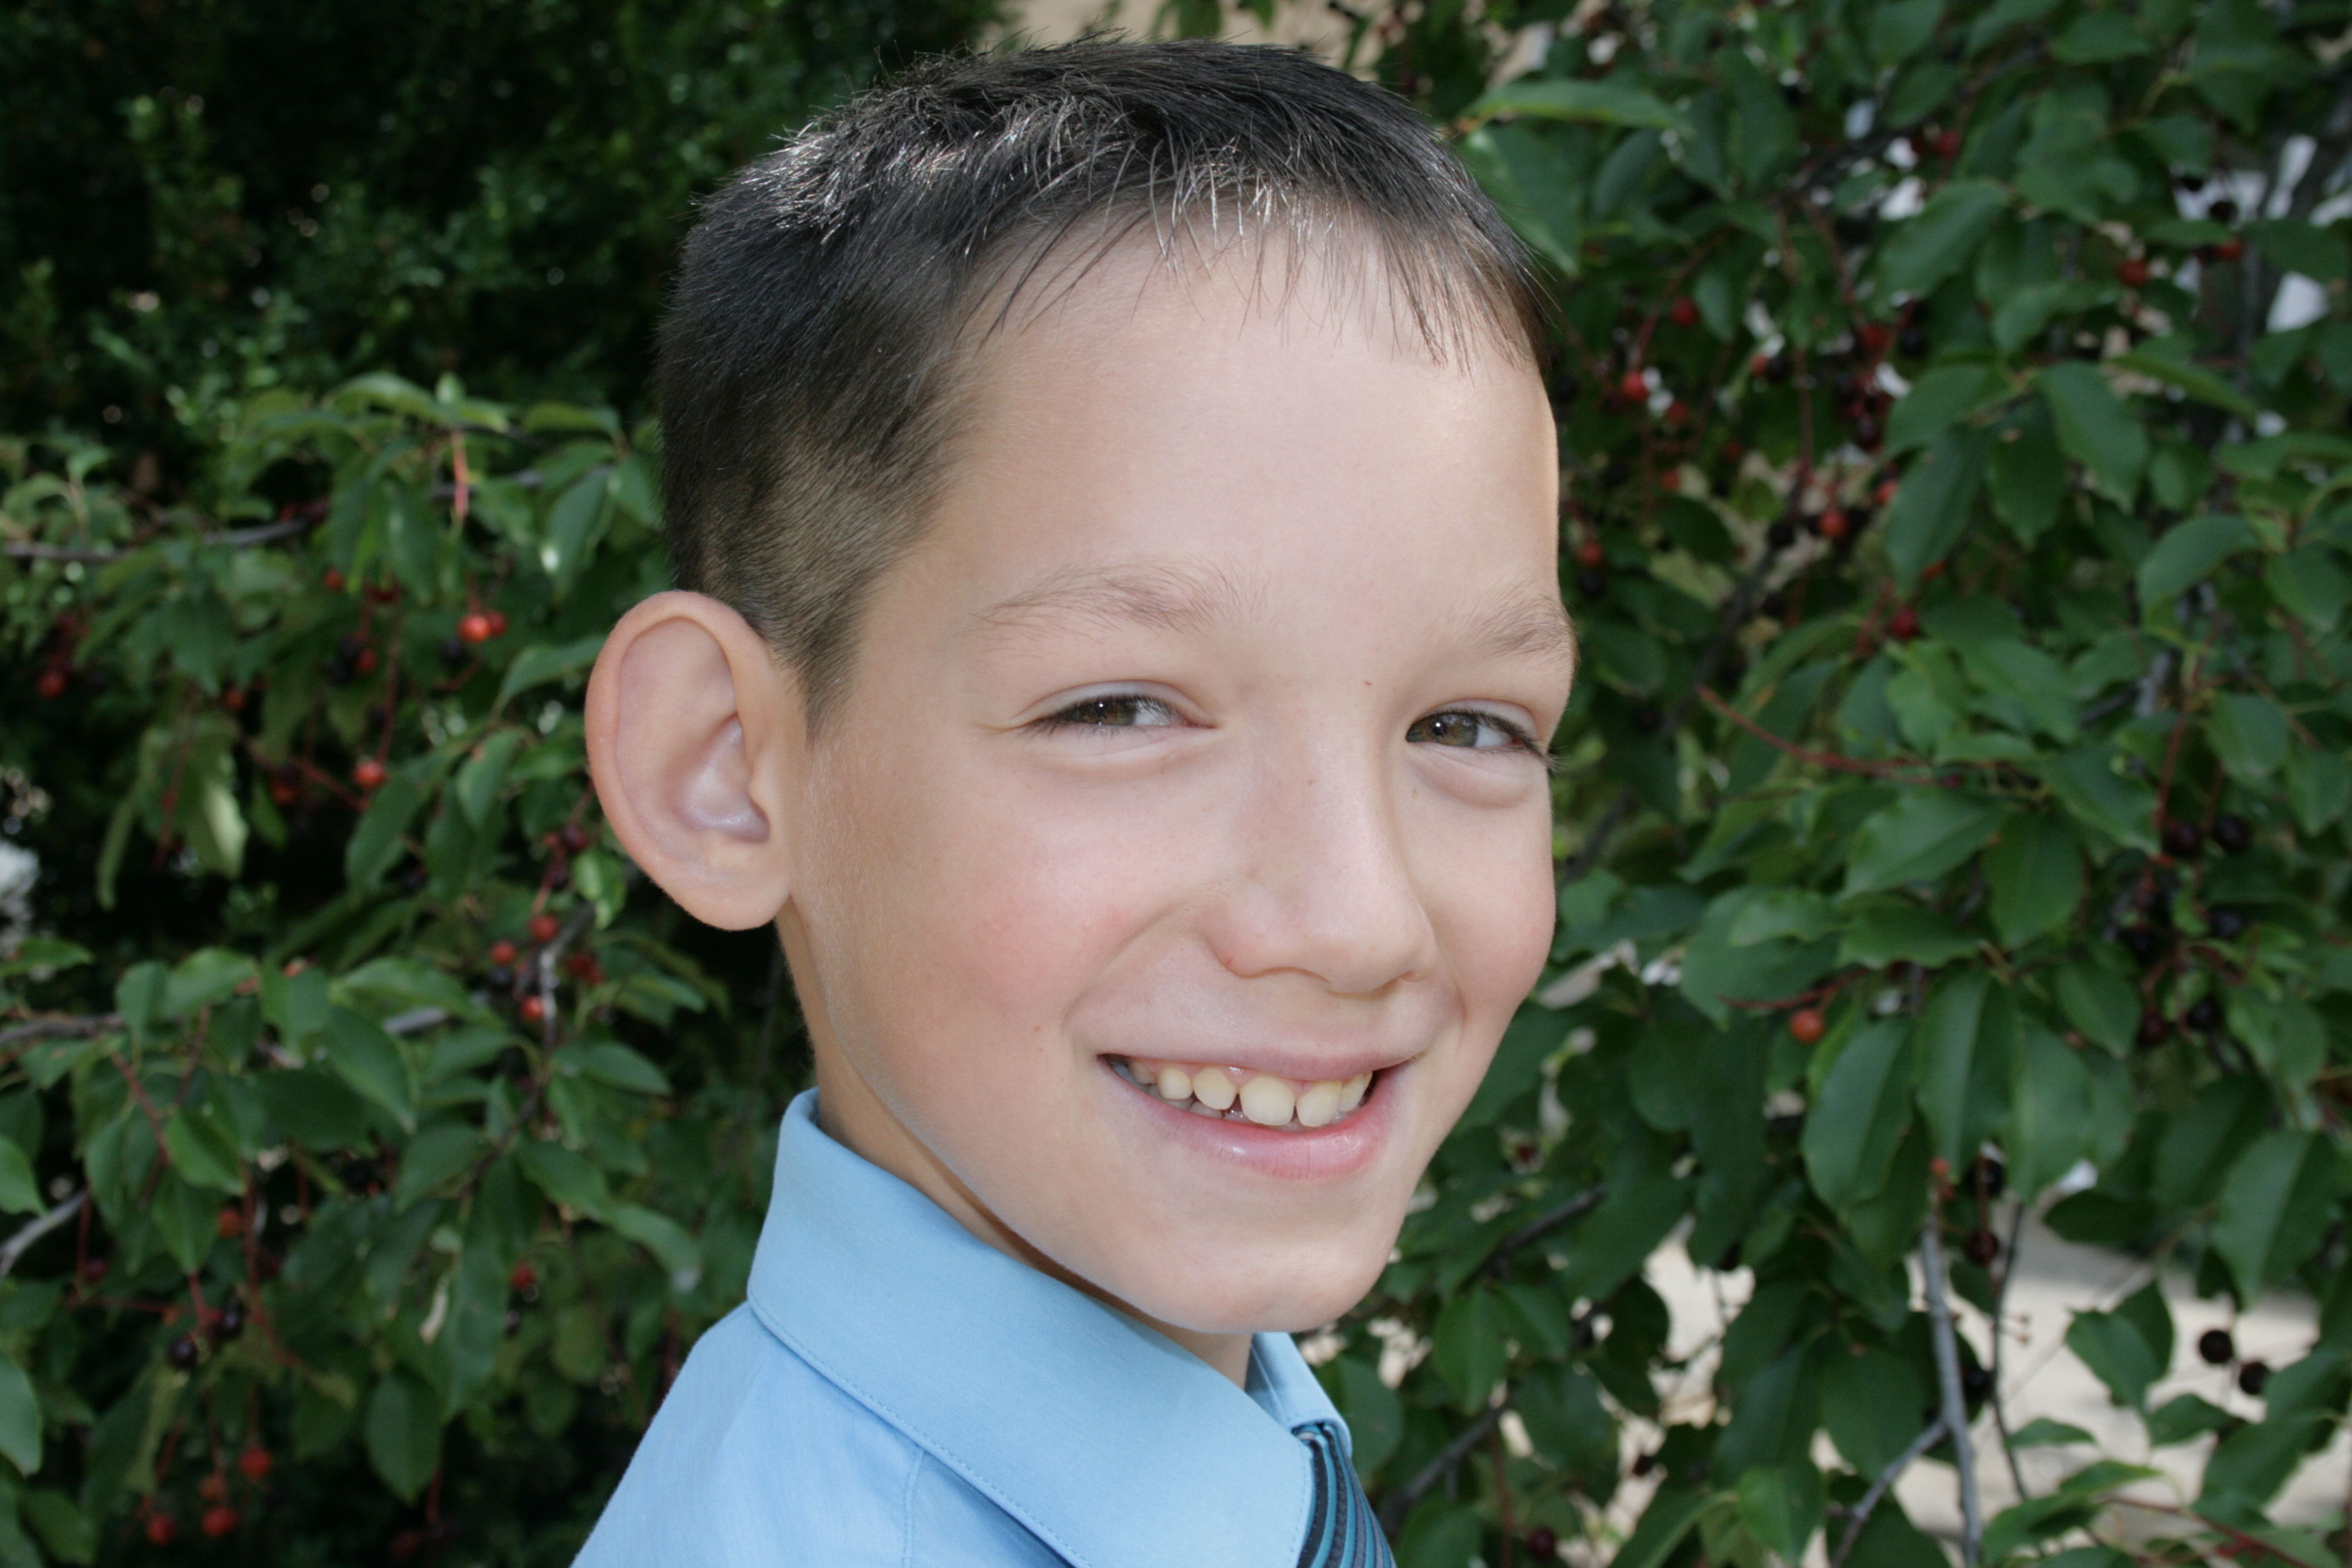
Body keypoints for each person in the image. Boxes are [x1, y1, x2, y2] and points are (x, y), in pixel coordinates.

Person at [575, 37, 1574, 1566]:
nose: (1360, 920)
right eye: (1120, 710)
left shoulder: (1245, 1454)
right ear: (724, 773)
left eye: (1466, 726)